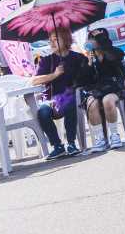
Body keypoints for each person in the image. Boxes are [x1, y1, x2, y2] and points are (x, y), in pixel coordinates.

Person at [31, 27, 85, 160]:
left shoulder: (77, 58)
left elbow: (87, 77)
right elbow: (34, 81)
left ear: (66, 39)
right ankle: (57, 146)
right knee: (43, 112)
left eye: (55, 39)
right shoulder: (47, 60)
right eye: (50, 40)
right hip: (52, 99)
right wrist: (54, 74)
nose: (52, 43)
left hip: (72, 97)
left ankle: (71, 143)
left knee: (71, 102)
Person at [77, 29, 125, 152]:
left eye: (93, 39)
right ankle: (100, 139)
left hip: (113, 87)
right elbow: (83, 80)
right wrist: (89, 64)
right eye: (89, 39)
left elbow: (117, 62)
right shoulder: (89, 57)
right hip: (97, 90)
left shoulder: (112, 52)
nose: (90, 41)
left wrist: (102, 43)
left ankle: (114, 135)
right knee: (91, 104)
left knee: (107, 101)